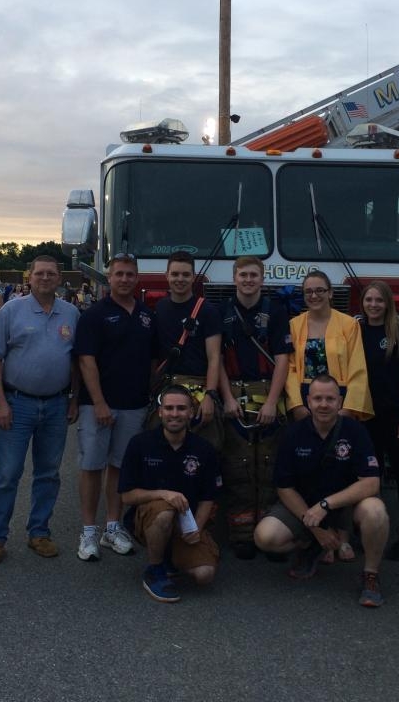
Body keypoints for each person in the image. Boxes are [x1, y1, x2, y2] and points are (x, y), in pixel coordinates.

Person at [253, 375, 388, 607]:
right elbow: (284, 487)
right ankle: (310, 545)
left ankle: (371, 575)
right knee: (265, 537)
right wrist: (317, 531)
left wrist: (326, 505)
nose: (323, 404)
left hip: (343, 506)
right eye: (317, 398)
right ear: (308, 401)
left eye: (329, 398)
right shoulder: (293, 434)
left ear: (340, 402)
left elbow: (371, 483)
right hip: (305, 507)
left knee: (376, 510)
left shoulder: (356, 431)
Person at [0, 255, 80, 563]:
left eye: (51, 273)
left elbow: (77, 360)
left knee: (48, 473)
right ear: (30, 276)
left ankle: (39, 532)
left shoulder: (72, 313)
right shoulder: (11, 310)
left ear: (60, 279)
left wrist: (74, 399)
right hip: (17, 404)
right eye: (40, 273)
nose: (46, 278)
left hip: (56, 404)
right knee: (8, 474)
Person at [73, 252, 158, 562]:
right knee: (92, 466)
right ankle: (88, 531)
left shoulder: (147, 316)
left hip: (134, 405)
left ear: (137, 278)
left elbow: (152, 361)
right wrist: (98, 402)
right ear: (108, 278)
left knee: (119, 467)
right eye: (118, 274)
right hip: (99, 406)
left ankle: (112, 527)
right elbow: (86, 360)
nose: (124, 279)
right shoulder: (94, 315)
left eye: (129, 274)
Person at [285, 270, 372, 563]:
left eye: (320, 290)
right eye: (308, 291)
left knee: (341, 469)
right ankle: (318, 533)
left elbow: (358, 369)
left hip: (339, 402)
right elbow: (291, 369)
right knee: (311, 470)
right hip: (308, 401)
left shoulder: (348, 325)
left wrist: (347, 409)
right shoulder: (295, 325)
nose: (314, 296)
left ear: (330, 293)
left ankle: (343, 536)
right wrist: (297, 404)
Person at [217, 256, 293, 559]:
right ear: (234, 278)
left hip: (266, 394)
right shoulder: (221, 312)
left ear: (262, 279)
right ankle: (241, 533)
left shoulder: (275, 311)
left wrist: (273, 401)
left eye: (254, 275)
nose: (248, 280)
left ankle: (270, 528)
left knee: (269, 463)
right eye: (243, 275)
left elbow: (283, 358)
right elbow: (217, 360)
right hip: (234, 395)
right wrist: (227, 398)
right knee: (237, 464)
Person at [118, 385, 222, 603]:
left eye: (181, 408)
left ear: (191, 412)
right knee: (165, 511)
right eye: (169, 408)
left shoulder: (204, 449)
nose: (175, 414)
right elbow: (126, 496)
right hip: (150, 519)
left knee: (205, 575)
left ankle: (172, 556)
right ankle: (155, 570)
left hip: (186, 524)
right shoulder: (140, 444)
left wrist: (198, 529)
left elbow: (208, 497)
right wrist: (164, 494)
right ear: (160, 412)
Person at [359, 280, 399, 562]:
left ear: (388, 304)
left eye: (379, 300)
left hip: (398, 416)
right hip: (366, 417)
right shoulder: (354, 332)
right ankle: (369, 528)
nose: (373, 305)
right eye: (369, 300)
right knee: (368, 478)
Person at [153, 250, 224, 447]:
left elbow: (214, 357)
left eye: (185, 274)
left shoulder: (208, 311)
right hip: (167, 389)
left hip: (199, 390)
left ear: (194, 277)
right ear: (166, 276)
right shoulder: (160, 308)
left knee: (203, 448)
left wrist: (210, 395)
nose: (180, 279)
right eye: (175, 274)